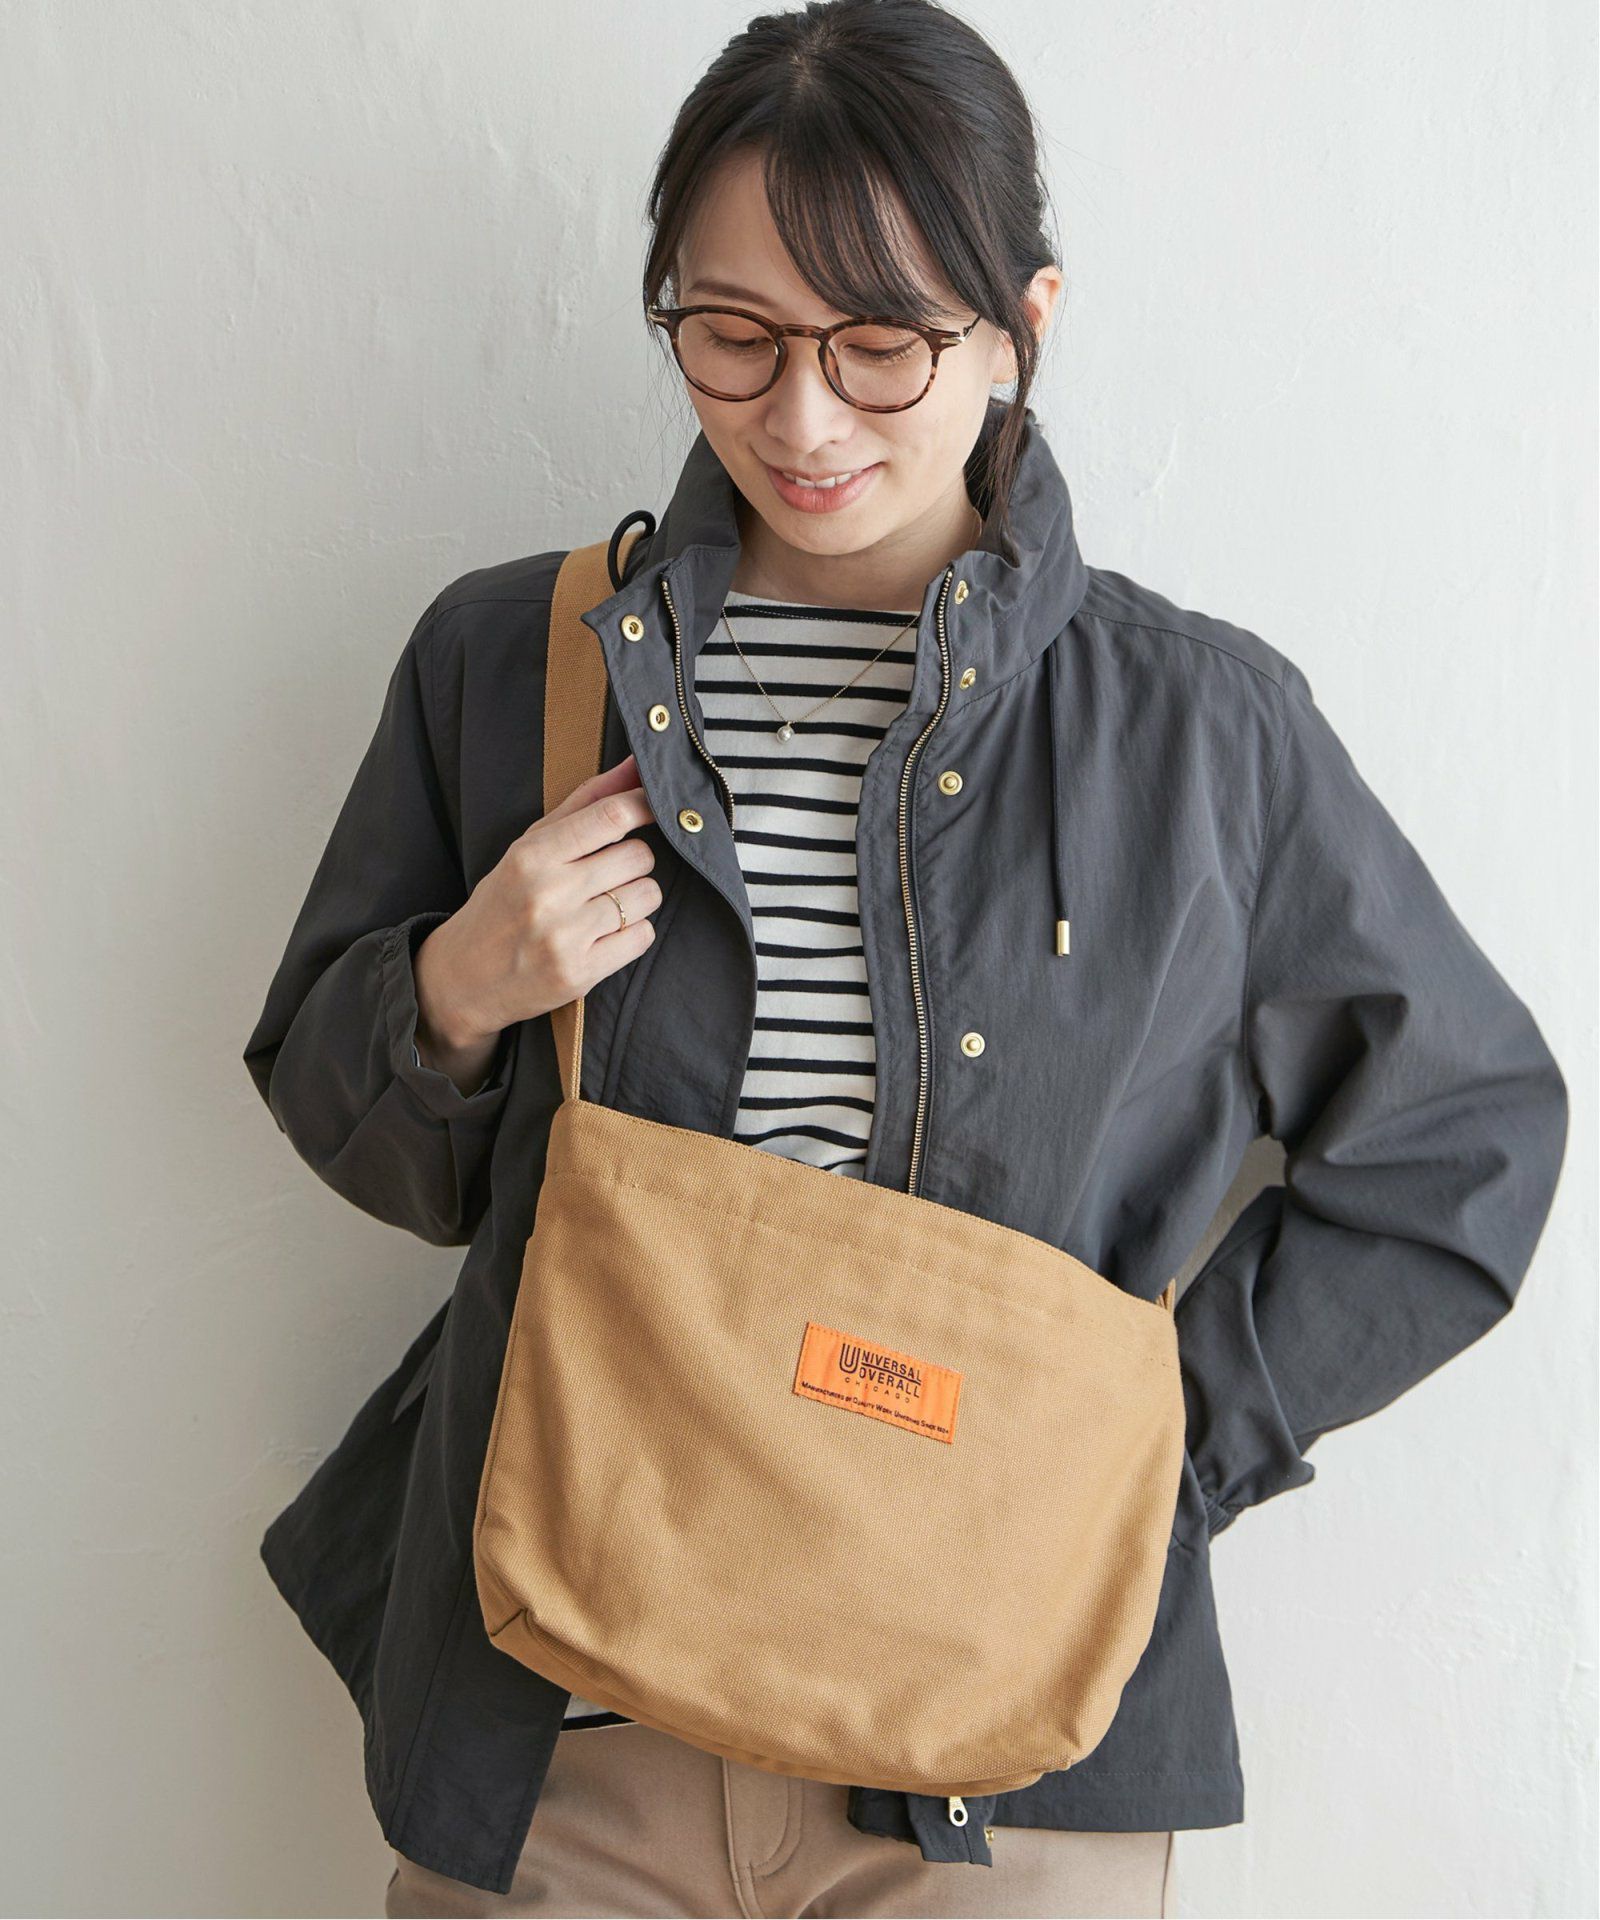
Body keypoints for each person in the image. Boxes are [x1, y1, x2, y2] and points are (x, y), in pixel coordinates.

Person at [242, 4, 1569, 1915]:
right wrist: (454, 991)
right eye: (735, 335)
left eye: (882, 345)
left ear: (1022, 323)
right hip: (559, 1731)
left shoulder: (1202, 733)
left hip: (1001, 1776)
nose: (803, 419)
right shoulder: (511, 665)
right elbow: (358, 1127)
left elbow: (1468, 1137)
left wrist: (1150, 1449)